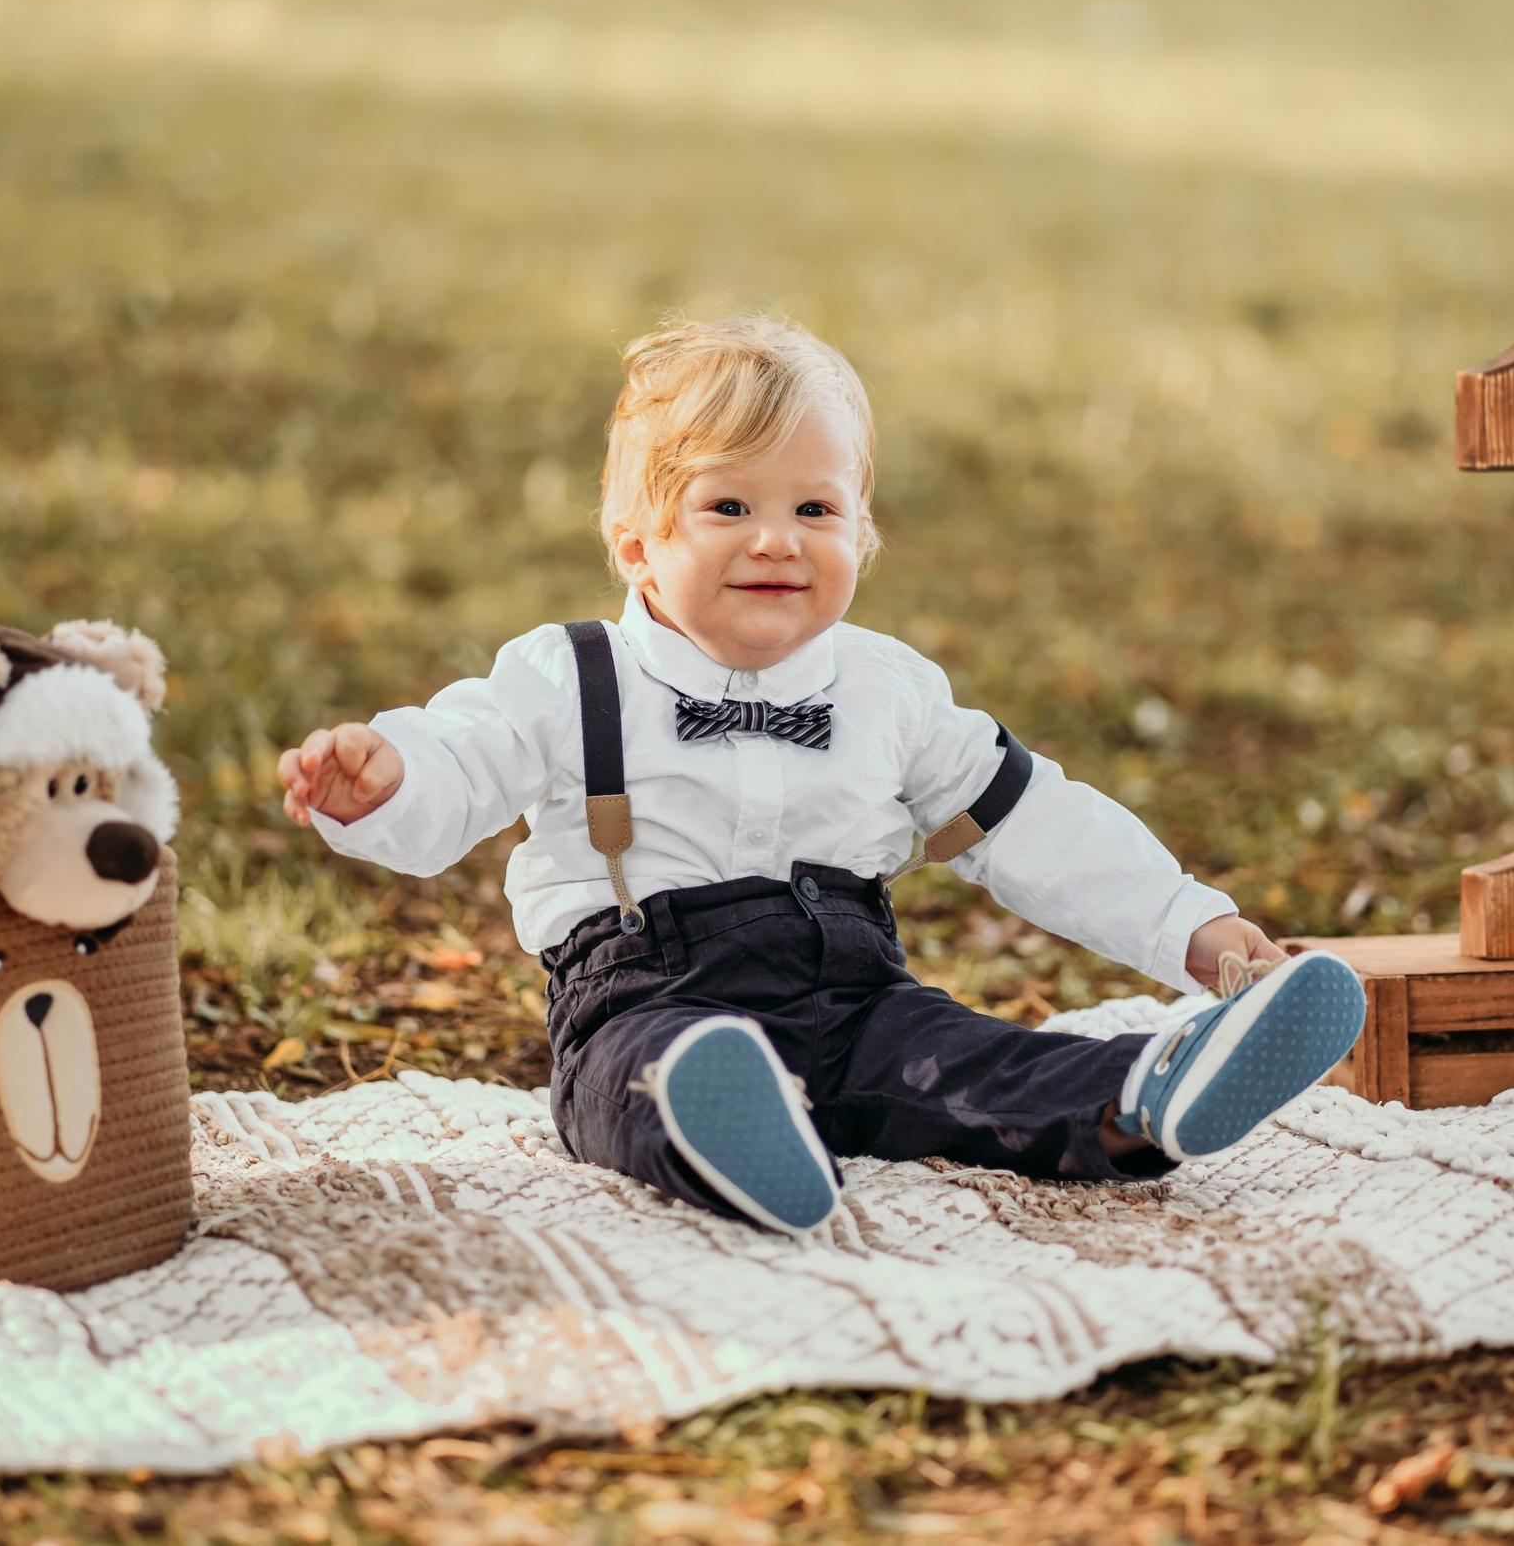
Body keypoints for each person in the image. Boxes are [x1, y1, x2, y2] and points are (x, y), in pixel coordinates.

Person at [279, 316, 1365, 1235]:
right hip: (645, 994)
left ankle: (1145, 1093)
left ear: (862, 530)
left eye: (814, 509)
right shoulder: (570, 676)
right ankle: (733, 1134)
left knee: (971, 1059)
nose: (776, 542)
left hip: (852, 999)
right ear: (635, 543)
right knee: (642, 1077)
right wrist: (387, 779)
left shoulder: (887, 690)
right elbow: (460, 760)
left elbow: (1037, 824)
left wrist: (1197, 929)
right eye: (727, 507)